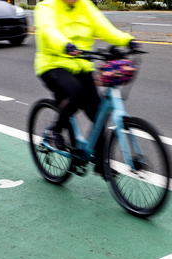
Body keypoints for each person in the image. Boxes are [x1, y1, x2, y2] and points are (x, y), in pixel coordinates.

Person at [33, 0, 139, 174]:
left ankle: (100, 163)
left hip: (82, 65)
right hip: (53, 64)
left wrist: (128, 41)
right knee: (73, 93)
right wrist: (65, 45)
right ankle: (55, 131)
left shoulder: (86, 6)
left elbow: (103, 27)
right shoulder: (47, 6)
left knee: (98, 113)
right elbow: (48, 30)